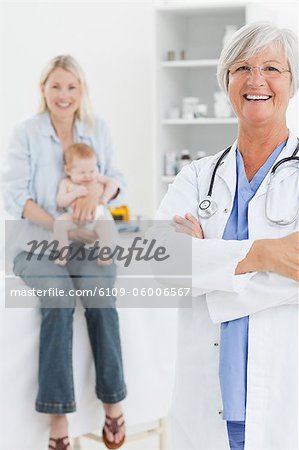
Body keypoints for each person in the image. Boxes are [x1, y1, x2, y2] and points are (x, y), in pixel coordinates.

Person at [155, 22, 298, 450]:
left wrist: (208, 263)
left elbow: (188, 268)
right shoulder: (197, 176)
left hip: (284, 404)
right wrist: (266, 254)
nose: (256, 80)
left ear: (292, 83)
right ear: (227, 81)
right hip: (206, 405)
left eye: (272, 67)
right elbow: (161, 263)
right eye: (242, 68)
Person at [2, 55, 127, 450]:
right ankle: (59, 417)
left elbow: (117, 180)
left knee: (101, 299)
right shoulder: (26, 132)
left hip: (88, 245)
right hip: (36, 244)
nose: (63, 95)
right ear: (43, 89)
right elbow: (15, 196)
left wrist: (96, 191)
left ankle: (113, 403)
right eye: (55, 86)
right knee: (58, 299)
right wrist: (58, 224)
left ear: (81, 91)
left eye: (71, 86)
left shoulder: (97, 128)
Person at [54, 143, 117, 267]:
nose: (88, 175)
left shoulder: (96, 178)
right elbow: (61, 201)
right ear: (68, 170)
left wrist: (105, 197)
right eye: (82, 172)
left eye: (92, 170)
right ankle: (63, 253)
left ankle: (104, 254)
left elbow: (113, 183)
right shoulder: (66, 183)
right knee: (59, 223)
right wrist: (74, 194)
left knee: (107, 225)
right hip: (74, 217)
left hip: (97, 217)